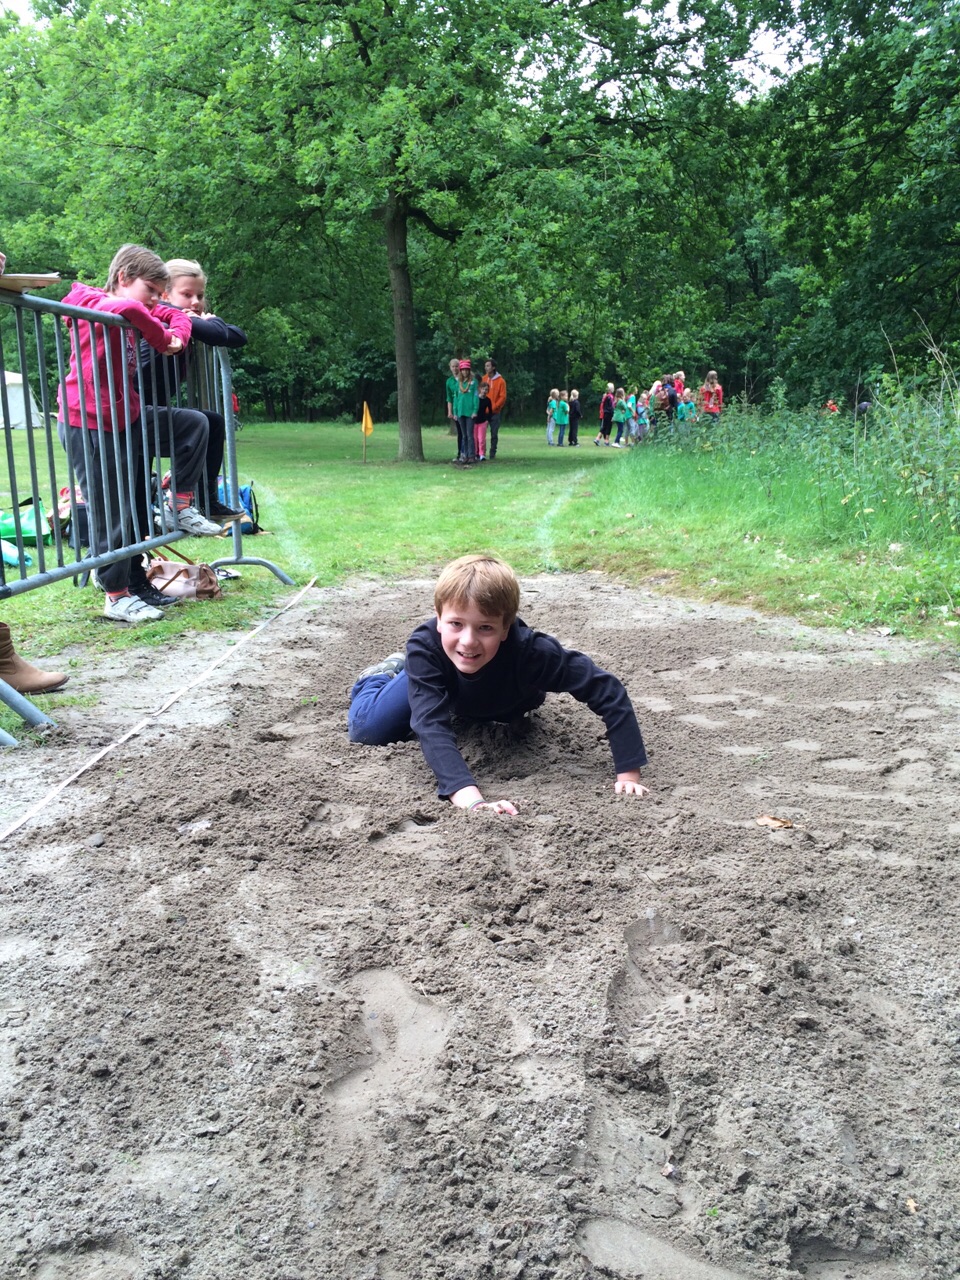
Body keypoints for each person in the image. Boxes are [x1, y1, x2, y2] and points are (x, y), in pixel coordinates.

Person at [347, 554, 650, 812]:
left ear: (506, 628)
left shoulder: (533, 653)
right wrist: (473, 801)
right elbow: (430, 725)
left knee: (504, 710)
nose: (468, 640)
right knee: (368, 730)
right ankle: (379, 677)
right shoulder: (426, 649)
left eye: (485, 628)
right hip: (436, 680)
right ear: (438, 618)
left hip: (501, 697)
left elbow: (606, 689)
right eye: (456, 624)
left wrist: (628, 775)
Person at [58, 244, 217, 624]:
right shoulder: (89, 302)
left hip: (124, 416)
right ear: (123, 277)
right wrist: (163, 338)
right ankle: (115, 596)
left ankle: (178, 505)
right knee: (111, 509)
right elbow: (127, 310)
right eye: (151, 290)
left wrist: (175, 329)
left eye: (160, 292)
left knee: (194, 424)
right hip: (89, 421)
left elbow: (173, 315)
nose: (155, 300)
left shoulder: (136, 307)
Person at [138, 258, 247, 523]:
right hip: (128, 412)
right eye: (187, 294)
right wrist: (210, 323)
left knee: (212, 422)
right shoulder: (160, 315)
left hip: (151, 411)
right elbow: (217, 333)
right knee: (133, 501)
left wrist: (211, 323)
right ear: (164, 294)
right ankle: (175, 506)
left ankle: (205, 500)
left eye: (199, 295)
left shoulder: (181, 321)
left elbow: (237, 336)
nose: (196, 302)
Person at [453, 359, 479, 465]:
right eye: (463, 370)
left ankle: (471, 456)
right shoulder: (458, 383)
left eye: (466, 370)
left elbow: (476, 397)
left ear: (469, 370)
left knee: (470, 435)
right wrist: (455, 412)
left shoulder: (473, 382)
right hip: (460, 411)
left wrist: (475, 410)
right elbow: (455, 398)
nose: (464, 372)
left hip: (470, 412)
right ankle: (465, 455)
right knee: (463, 435)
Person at [484, 359, 506, 460]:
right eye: (485, 366)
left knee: (494, 434)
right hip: (483, 412)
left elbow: (502, 397)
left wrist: (495, 406)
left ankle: (492, 453)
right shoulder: (484, 379)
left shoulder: (501, 381)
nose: (486, 368)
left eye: (488, 366)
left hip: (495, 412)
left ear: (493, 367)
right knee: (481, 434)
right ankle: (481, 453)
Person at [445, 358, 461, 460]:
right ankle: (460, 453)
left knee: (467, 433)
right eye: (453, 366)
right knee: (460, 432)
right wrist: (450, 411)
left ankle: (470, 453)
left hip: (465, 409)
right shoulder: (449, 382)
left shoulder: (464, 378)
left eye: (456, 366)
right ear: (450, 368)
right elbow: (449, 398)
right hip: (456, 410)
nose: (455, 368)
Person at [475, 376, 492, 462]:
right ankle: (475, 453)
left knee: (481, 439)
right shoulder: (476, 399)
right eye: (483, 389)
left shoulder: (488, 400)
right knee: (475, 439)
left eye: (486, 390)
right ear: (480, 389)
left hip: (483, 421)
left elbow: (490, 411)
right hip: (474, 421)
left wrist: (488, 420)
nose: (484, 391)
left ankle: (482, 454)